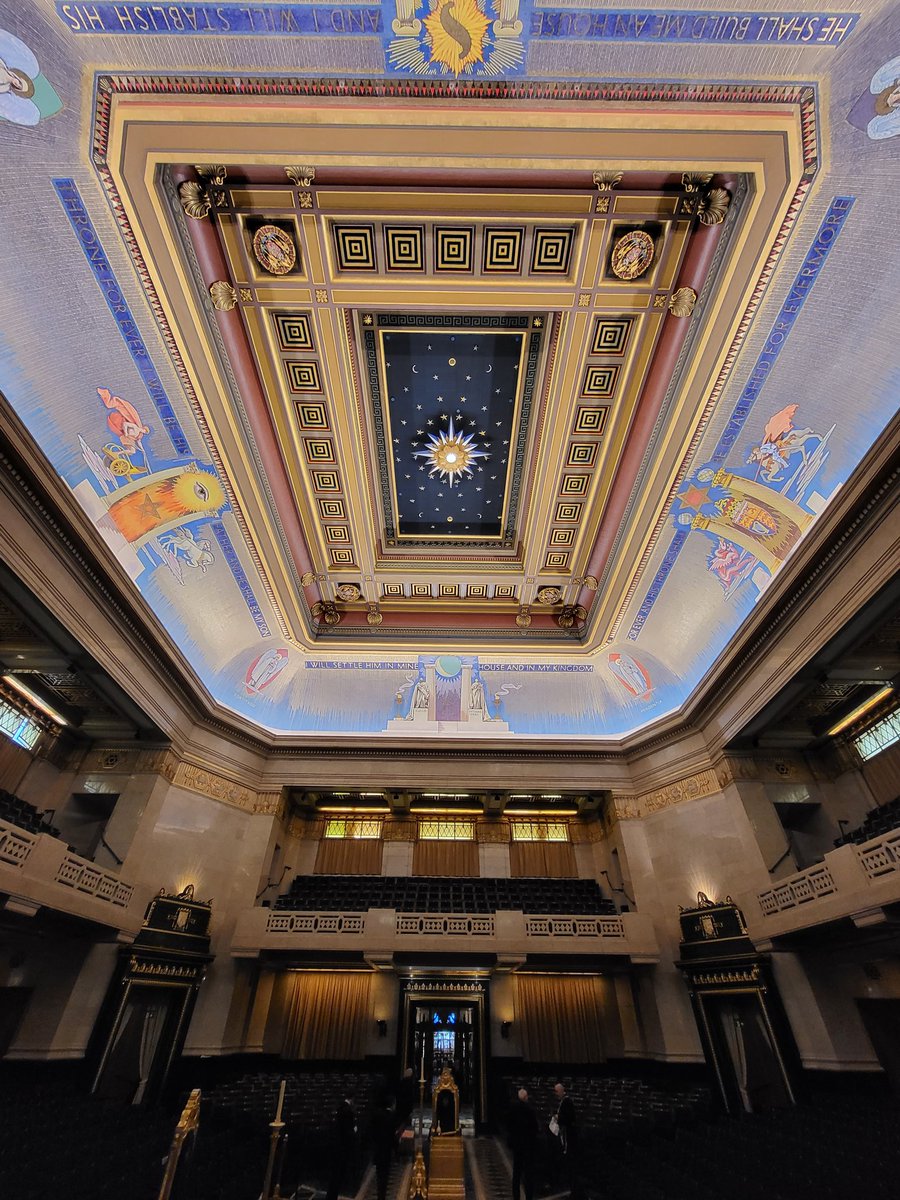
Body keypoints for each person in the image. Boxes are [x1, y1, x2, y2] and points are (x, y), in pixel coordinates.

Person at [507, 1087, 540, 1200]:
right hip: (528, 1146)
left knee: (516, 1173)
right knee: (528, 1174)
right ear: (525, 1098)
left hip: (517, 1146)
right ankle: (529, 1197)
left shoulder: (512, 1109)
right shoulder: (530, 1110)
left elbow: (509, 1127)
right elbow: (535, 1128)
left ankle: (516, 1197)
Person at [324, 1098, 357, 1200]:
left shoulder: (339, 1108)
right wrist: (354, 1130)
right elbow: (348, 1132)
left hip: (335, 1147)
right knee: (337, 1177)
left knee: (334, 1178)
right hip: (342, 1148)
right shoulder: (347, 1112)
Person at [552, 1083, 580, 1200]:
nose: (556, 1094)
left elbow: (570, 1118)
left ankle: (574, 1191)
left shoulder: (567, 1102)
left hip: (569, 1136)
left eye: (557, 1091)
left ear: (562, 1091)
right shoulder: (564, 1101)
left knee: (571, 1164)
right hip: (566, 1134)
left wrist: (559, 1118)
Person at [370, 1093, 396, 1200]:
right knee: (384, 1177)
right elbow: (391, 1135)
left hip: (377, 1150)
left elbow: (372, 1131)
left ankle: (380, 1195)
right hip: (386, 1151)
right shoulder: (391, 1118)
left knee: (379, 1175)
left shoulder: (377, 1115)